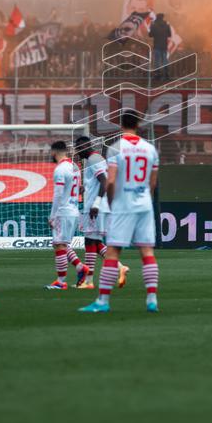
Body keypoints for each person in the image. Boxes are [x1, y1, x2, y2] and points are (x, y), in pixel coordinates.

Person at [80, 110, 161, 314]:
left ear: (120, 125)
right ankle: (152, 299)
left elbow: (112, 180)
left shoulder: (116, 148)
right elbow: (153, 182)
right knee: (147, 252)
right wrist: (146, 199)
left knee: (113, 251)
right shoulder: (150, 149)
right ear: (139, 124)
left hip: (123, 205)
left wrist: (110, 203)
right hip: (144, 204)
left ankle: (102, 301)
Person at [75, 135, 129, 290]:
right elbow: (98, 181)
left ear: (85, 147)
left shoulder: (93, 159)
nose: (78, 153)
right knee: (97, 243)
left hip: (95, 207)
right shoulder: (94, 160)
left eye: (79, 149)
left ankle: (89, 281)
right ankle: (120, 267)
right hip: (99, 206)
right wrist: (85, 188)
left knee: (89, 242)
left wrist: (96, 203)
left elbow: (104, 181)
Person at [45, 141, 92, 290]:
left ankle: (61, 281)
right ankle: (80, 267)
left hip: (63, 211)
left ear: (54, 152)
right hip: (73, 209)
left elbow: (58, 194)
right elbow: (79, 189)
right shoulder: (75, 167)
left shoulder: (60, 169)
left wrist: (52, 216)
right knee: (63, 244)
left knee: (59, 245)